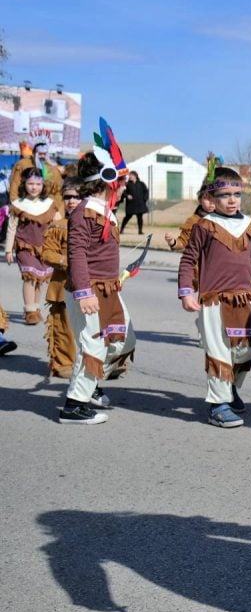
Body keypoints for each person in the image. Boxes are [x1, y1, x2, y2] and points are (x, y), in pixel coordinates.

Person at [179, 167, 251, 428]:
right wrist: (186, 292)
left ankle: (230, 389)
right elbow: (188, 260)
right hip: (213, 300)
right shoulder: (205, 225)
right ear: (212, 197)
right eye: (224, 195)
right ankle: (218, 405)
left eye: (236, 194)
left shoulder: (249, 225)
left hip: (242, 299)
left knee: (244, 353)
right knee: (219, 351)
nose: (232, 200)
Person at [62, 153, 136, 424]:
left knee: (124, 340)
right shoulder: (84, 211)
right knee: (92, 347)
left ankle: (88, 384)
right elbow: (77, 253)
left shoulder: (106, 210)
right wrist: (83, 292)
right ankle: (74, 405)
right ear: (107, 180)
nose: (126, 185)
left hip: (108, 290)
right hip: (89, 291)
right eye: (123, 180)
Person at [5, 166, 59, 325]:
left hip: (44, 247)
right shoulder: (18, 204)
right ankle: (30, 311)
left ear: (43, 185)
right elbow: (11, 228)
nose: (34, 187)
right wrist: (9, 250)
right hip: (25, 247)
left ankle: (35, 307)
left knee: (39, 278)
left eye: (37, 184)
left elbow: (58, 226)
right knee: (29, 277)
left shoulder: (49, 204)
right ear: (24, 184)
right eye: (30, 184)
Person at [41, 179, 83, 378]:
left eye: (76, 197)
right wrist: (66, 261)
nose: (72, 201)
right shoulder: (58, 226)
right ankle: (63, 363)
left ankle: (98, 363)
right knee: (63, 327)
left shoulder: (94, 224)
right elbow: (47, 254)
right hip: (62, 286)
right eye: (68, 197)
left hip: (89, 286)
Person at [9, 142, 64, 210]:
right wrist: (17, 207)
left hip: (46, 208)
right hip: (25, 206)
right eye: (40, 154)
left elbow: (58, 192)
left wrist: (55, 209)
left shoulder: (53, 170)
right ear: (34, 153)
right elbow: (14, 187)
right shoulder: (23, 165)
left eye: (45, 154)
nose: (42, 156)